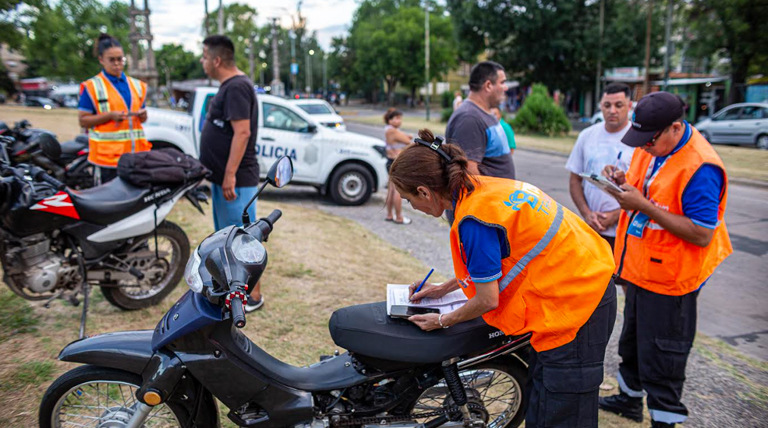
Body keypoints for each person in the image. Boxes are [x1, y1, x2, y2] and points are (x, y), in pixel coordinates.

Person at [390, 128, 617, 428]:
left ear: (424, 191)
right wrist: (443, 289)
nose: (412, 207)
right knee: (543, 397)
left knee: (562, 410)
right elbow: (496, 265)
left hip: (577, 303)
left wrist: (442, 321)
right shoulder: (483, 189)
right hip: (581, 281)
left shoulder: (474, 220)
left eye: (408, 200)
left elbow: (487, 298)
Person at [598, 92, 733, 428]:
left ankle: (664, 419)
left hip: (673, 280)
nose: (643, 147)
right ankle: (629, 401)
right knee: (632, 343)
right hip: (642, 270)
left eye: (650, 140)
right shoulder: (655, 146)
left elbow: (702, 233)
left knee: (663, 354)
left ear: (675, 128)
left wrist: (642, 205)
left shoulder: (701, 167)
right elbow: (648, 188)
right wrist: (622, 183)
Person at [199, 35, 264, 313]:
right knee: (225, 242)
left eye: (204, 56)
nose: (202, 61)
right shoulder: (229, 86)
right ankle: (232, 293)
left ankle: (252, 298)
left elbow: (243, 132)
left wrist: (229, 175)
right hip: (225, 179)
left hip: (236, 181)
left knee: (242, 242)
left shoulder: (237, 87)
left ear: (216, 60)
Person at [566, 83, 635, 250]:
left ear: (630, 105)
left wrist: (615, 216)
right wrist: (586, 213)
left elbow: (645, 192)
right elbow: (575, 179)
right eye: (607, 105)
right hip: (591, 229)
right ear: (600, 106)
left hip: (625, 232)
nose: (612, 110)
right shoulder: (587, 135)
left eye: (618, 105)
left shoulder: (638, 140)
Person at [78, 33, 149, 184]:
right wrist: (109, 116)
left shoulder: (137, 86)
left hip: (135, 158)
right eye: (112, 60)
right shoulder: (92, 87)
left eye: (120, 59)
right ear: (101, 60)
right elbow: (83, 121)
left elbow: (142, 118)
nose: (117, 63)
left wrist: (143, 116)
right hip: (107, 161)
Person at [445, 61, 514, 181]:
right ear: (488, 86)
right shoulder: (469, 118)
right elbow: (468, 172)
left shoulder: (484, 112)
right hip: (489, 199)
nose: (506, 87)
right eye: (502, 82)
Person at [383, 108, 412, 224]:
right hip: (396, 163)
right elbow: (407, 140)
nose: (399, 121)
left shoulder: (389, 130)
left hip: (390, 161)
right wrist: (407, 137)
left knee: (391, 190)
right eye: (396, 118)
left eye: (400, 118)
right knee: (398, 191)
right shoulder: (392, 131)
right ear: (390, 120)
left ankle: (390, 215)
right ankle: (399, 217)